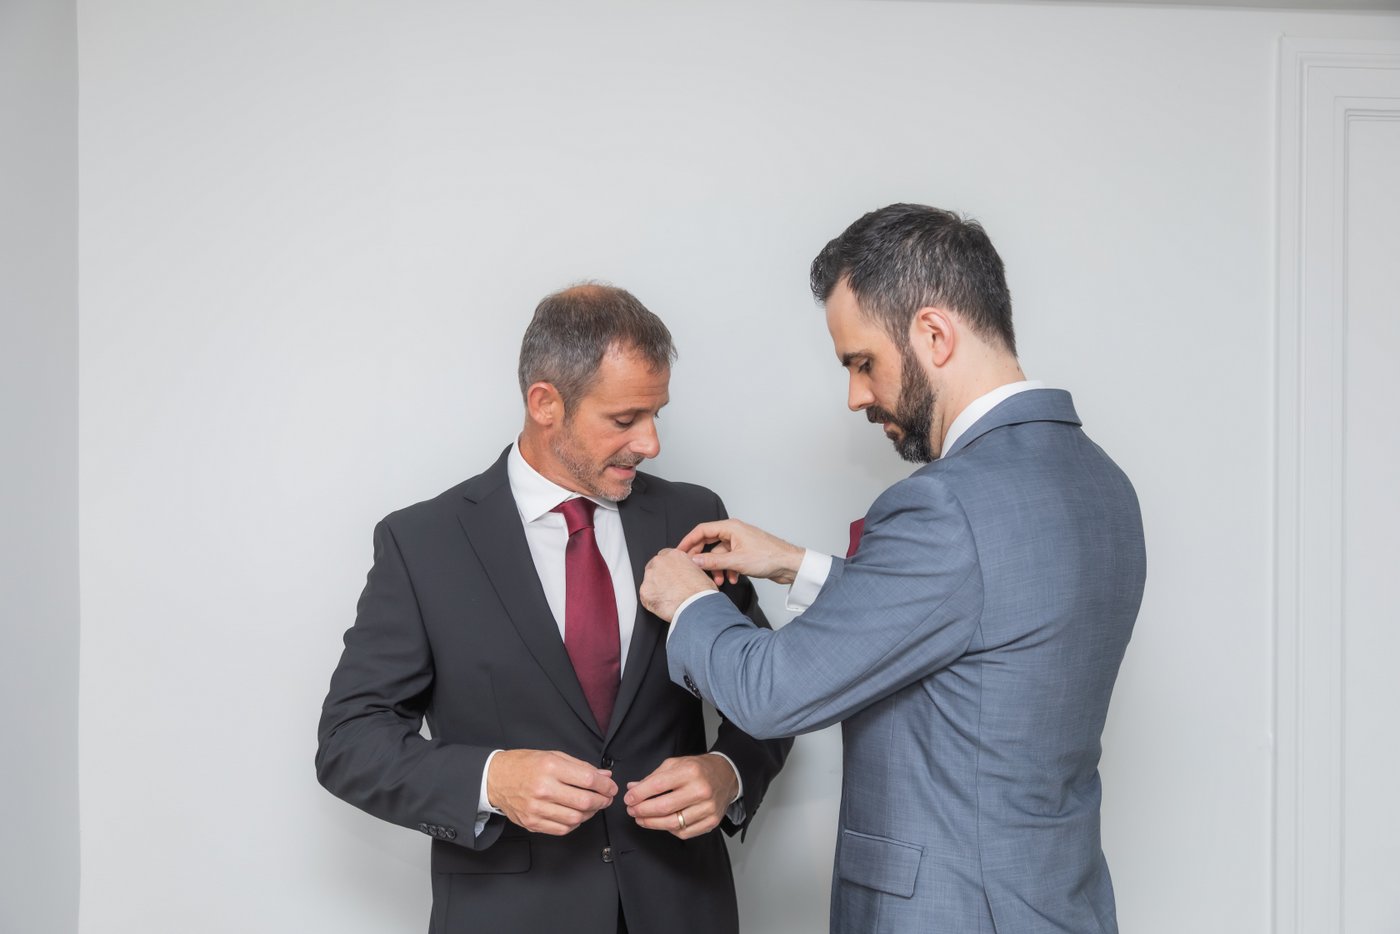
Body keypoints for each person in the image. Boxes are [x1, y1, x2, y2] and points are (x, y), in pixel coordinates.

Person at [640, 204, 1146, 934]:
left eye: (862, 362)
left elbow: (772, 691)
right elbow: (979, 630)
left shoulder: (946, 505)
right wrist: (797, 566)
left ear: (934, 334)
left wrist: (689, 603)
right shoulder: (1101, 483)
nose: (856, 396)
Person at [317, 284, 791, 934]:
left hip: (682, 907)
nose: (650, 443)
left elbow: (770, 685)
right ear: (545, 403)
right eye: (625, 420)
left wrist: (728, 770)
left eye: (657, 414)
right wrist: (491, 778)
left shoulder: (691, 515)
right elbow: (350, 740)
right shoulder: (422, 543)